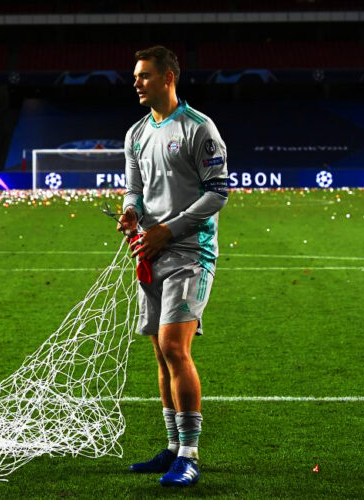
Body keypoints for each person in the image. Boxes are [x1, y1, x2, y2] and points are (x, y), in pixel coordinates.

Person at [118, 46, 229, 487]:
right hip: (152, 251)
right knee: (161, 355)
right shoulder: (136, 133)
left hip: (190, 252)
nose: (136, 82)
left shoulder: (200, 128)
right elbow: (134, 189)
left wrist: (171, 228)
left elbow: (218, 191)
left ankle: (190, 455)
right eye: (135, 75)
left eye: (144, 75)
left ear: (167, 78)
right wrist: (131, 213)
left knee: (175, 347)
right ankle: (171, 447)